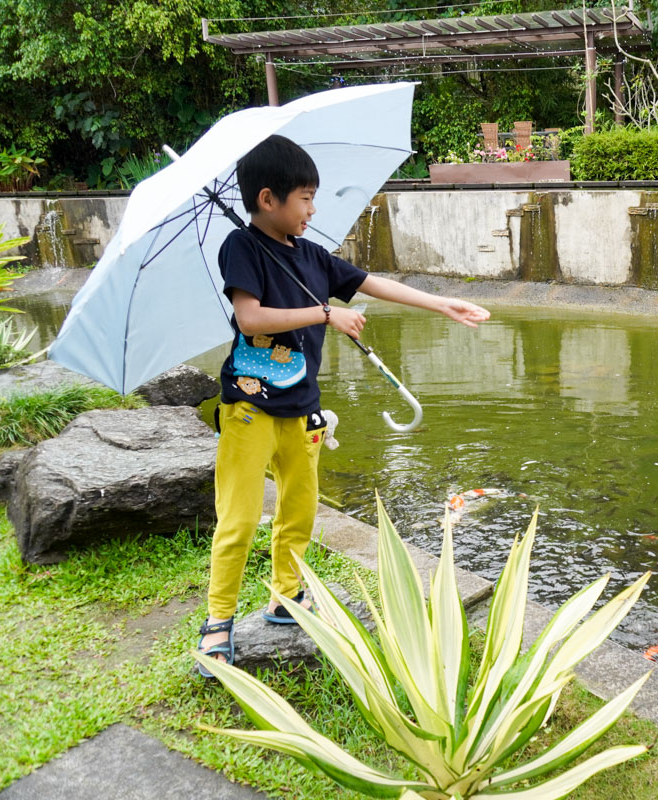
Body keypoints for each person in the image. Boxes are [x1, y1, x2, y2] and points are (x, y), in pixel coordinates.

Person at [196, 135, 489, 675]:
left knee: (299, 511)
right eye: (305, 198)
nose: (312, 209)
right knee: (237, 520)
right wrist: (325, 316)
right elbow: (250, 320)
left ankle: (286, 596)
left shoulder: (310, 256)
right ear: (268, 199)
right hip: (248, 407)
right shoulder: (241, 249)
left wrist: (442, 303)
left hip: (302, 406)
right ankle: (218, 622)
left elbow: (371, 283)